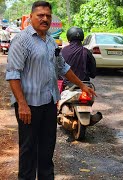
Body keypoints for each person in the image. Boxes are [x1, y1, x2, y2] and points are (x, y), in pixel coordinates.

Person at [5, 1, 96, 179]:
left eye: (48, 16)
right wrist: (22, 104)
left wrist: (83, 85)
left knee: (47, 149)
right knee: (28, 150)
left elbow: (63, 68)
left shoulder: (51, 42)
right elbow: (13, 74)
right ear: (31, 17)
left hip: (48, 103)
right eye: (40, 15)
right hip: (29, 106)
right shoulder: (21, 41)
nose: (44, 18)